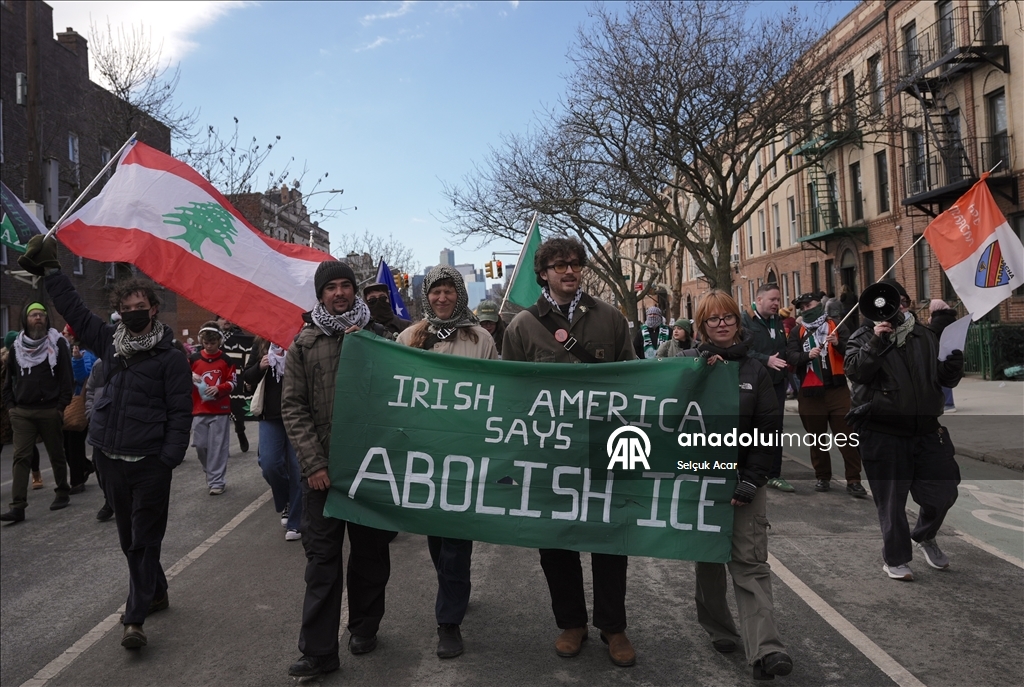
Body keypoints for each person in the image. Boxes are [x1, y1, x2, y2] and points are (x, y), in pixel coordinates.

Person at [19, 233, 192, 649]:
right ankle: (157, 591)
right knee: (129, 540)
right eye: (126, 308)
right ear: (118, 312)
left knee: (144, 539)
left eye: (141, 308)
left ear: (153, 309)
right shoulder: (109, 346)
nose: (134, 313)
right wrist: (53, 271)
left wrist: (168, 458)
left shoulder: (170, 358)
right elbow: (74, 307)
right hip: (110, 459)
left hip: (150, 463)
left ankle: (135, 618)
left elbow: (180, 412)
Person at [503, 237, 638, 667]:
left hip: (603, 451)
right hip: (549, 455)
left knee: (609, 539)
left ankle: (613, 628)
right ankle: (571, 623)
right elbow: (511, 394)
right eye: (559, 265)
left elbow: (633, 381)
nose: (569, 271)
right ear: (543, 272)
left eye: (575, 265)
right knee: (556, 541)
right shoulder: (523, 326)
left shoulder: (611, 319)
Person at [283, 260, 396, 679]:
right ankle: (319, 652)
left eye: (346, 285)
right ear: (320, 295)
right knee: (322, 563)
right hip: (322, 477)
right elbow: (292, 408)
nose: (339, 293)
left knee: (371, 555)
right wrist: (313, 463)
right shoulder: (304, 343)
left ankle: (365, 627)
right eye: (331, 287)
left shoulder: (379, 337)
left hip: (370, 471)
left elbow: (400, 395)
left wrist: (369, 346)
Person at [683, 289, 793, 680]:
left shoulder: (754, 369)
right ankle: (718, 628)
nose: (722, 324)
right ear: (702, 326)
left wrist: (751, 479)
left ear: (737, 320)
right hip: (700, 480)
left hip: (745, 478)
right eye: (713, 319)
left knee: (749, 562)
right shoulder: (686, 366)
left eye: (728, 316)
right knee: (709, 560)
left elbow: (769, 427)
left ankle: (767, 649)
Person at [398, 265, 498, 659]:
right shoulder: (409, 337)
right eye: (435, 292)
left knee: (456, 536)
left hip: (464, 453)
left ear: (460, 295)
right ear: (427, 296)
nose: (442, 298)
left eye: (449, 291)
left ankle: (449, 622)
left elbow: (497, 389)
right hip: (424, 454)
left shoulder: (481, 338)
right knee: (437, 537)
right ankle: (455, 589)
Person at [845, 279, 964, 581]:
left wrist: (952, 369)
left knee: (944, 491)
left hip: (926, 430)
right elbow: (856, 371)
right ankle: (895, 558)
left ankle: (925, 534)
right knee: (892, 502)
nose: (890, 309)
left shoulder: (926, 336)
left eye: (895, 301)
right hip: (882, 432)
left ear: (906, 304)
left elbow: (944, 381)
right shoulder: (862, 337)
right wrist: (877, 342)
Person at [786, 292, 866, 498]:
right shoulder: (797, 331)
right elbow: (791, 356)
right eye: (801, 307)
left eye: (808, 305)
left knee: (847, 436)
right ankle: (822, 476)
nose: (805, 309)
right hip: (810, 393)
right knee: (817, 438)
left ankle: (854, 480)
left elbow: (852, 352)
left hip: (837, 389)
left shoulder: (836, 326)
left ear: (819, 304)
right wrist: (806, 356)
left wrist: (837, 343)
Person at [1, 302, 73, 521]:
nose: (38, 318)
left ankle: (62, 490)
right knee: (21, 456)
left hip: (49, 409)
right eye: (33, 315)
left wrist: (60, 407)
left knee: (56, 453)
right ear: (26, 319)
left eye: (41, 314)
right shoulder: (17, 347)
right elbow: (9, 378)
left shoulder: (57, 343)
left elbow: (66, 378)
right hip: (22, 411)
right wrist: (11, 406)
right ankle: (18, 506)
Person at [242, 336, 303, 540]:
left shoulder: (301, 341)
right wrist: (260, 366)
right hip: (270, 415)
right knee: (269, 464)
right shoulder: (261, 344)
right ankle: (287, 499)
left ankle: (295, 522)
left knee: (297, 469)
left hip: (298, 415)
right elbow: (247, 377)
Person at [741, 283, 794, 493]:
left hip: (777, 383)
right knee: (750, 429)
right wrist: (766, 360)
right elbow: (742, 351)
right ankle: (747, 471)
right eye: (772, 299)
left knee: (774, 429)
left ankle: (774, 474)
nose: (776, 304)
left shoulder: (777, 321)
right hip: (754, 384)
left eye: (778, 300)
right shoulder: (746, 321)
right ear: (759, 299)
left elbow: (783, 348)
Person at [188, 323, 238, 496]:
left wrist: (219, 389)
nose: (209, 346)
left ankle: (216, 481)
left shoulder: (226, 360)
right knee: (200, 445)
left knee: (217, 446)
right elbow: (180, 377)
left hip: (220, 409)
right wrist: (190, 376)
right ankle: (210, 470)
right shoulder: (193, 359)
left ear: (219, 342)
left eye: (213, 343)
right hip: (199, 408)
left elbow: (233, 383)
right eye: (206, 343)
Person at [63, 324, 97, 493]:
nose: (63, 334)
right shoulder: (70, 352)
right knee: (68, 443)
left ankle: (77, 481)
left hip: (79, 403)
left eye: (66, 332)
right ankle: (85, 466)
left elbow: (84, 377)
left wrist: (77, 360)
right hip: (70, 403)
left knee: (74, 444)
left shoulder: (86, 354)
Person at [215, 316, 253, 453]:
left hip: (236, 377)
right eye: (222, 318)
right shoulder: (213, 337)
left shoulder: (240, 337)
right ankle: (222, 445)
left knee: (237, 407)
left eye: (229, 318)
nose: (226, 320)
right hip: (219, 378)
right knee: (221, 411)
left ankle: (240, 432)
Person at [84, 358, 114, 522]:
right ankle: (109, 499)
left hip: (124, 424)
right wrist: (91, 413)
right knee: (100, 465)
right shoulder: (99, 364)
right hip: (100, 424)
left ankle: (118, 500)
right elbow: (90, 391)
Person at [928, 299, 959, 413]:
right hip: (948, 349)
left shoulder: (940, 319)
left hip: (941, 350)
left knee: (942, 376)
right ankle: (946, 402)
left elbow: (930, 332)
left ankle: (948, 403)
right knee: (944, 376)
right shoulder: (949, 317)